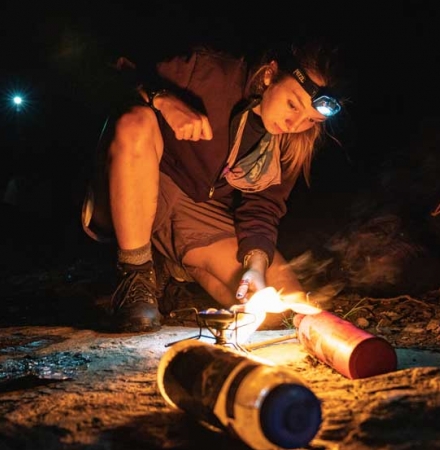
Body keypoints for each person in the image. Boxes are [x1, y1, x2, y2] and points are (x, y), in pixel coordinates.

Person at [82, 39, 347, 333]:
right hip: (140, 182)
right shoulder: (211, 73)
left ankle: (174, 266)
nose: (295, 122)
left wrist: (255, 263)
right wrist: (162, 98)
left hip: (197, 212)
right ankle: (135, 275)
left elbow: (264, 206)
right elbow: (111, 69)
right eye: (292, 104)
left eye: (311, 120)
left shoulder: (291, 141)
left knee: (280, 306)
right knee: (136, 120)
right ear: (271, 74)